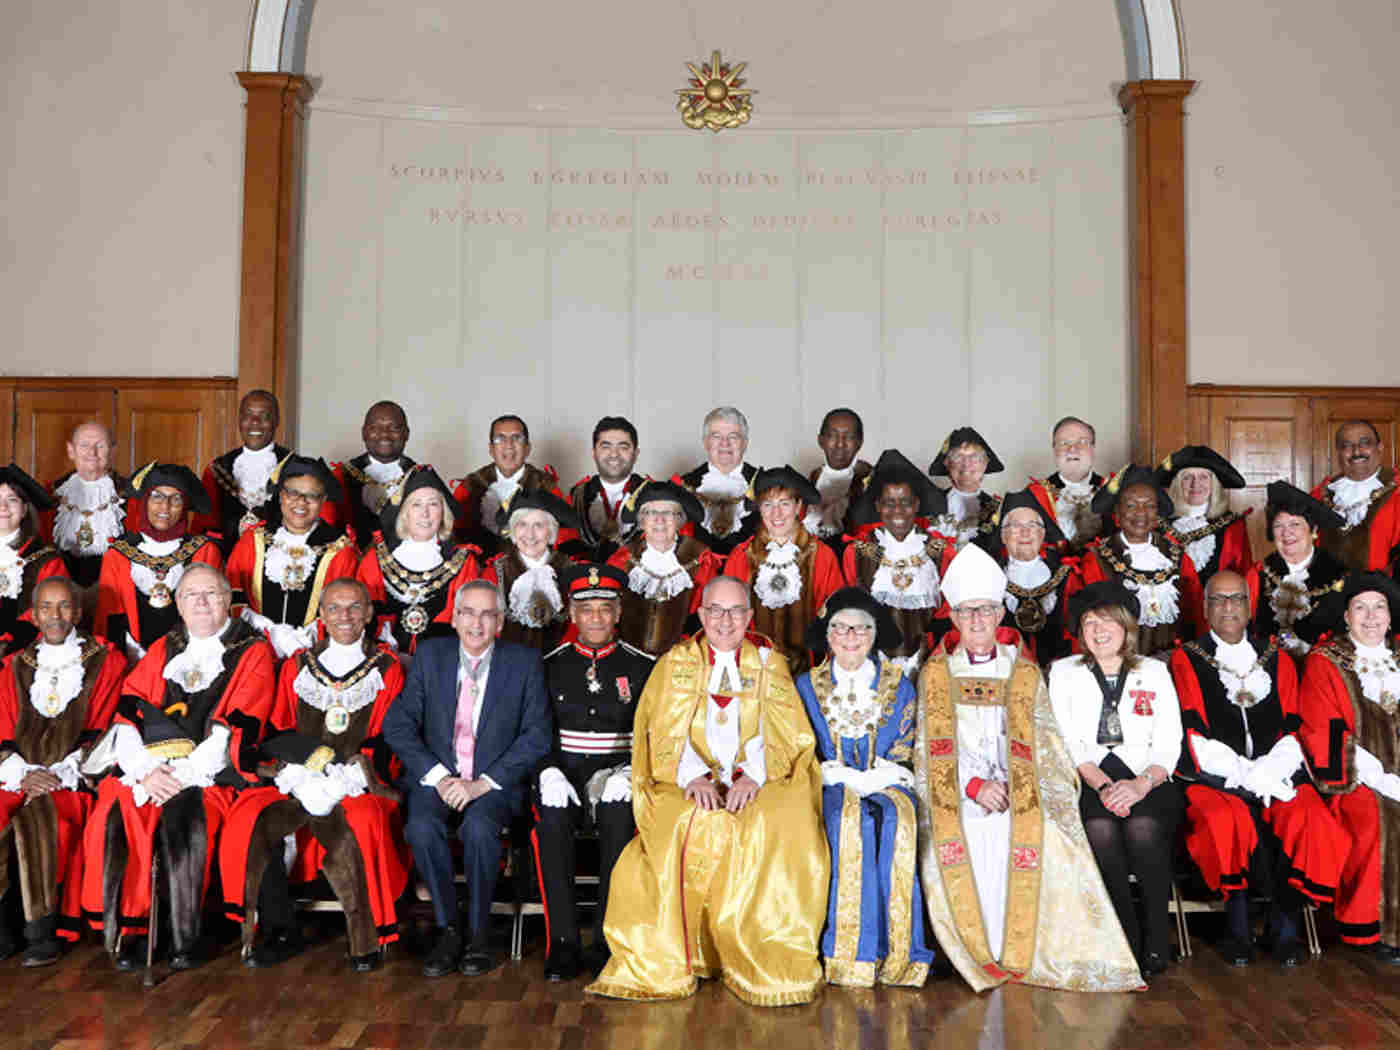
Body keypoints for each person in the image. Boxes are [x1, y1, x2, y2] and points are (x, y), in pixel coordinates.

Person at [588, 575, 828, 1006]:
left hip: (758, 778)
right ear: (701, 614)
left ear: (750, 617)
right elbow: (658, 731)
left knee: (770, 822)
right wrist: (693, 777)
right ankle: (685, 954)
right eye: (716, 610)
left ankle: (752, 953)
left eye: (736, 611)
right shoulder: (675, 663)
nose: (725, 620)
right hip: (685, 781)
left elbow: (787, 734)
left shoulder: (770, 663)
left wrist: (753, 776)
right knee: (689, 819)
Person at [918, 547, 1141, 992]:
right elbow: (926, 751)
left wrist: (1018, 787)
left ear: (1001, 612)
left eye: (986, 610)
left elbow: (1047, 745)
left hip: (1021, 790)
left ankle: (1030, 950)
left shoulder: (1023, 671)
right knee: (961, 833)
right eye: (967, 611)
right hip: (961, 793)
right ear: (954, 616)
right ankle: (979, 950)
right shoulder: (935, 673)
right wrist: (976, 785)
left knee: (1044, 829)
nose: (977, 620)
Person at [81, 564, 276, 971]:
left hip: (211, 776)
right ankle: (132, 929)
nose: (201, 603)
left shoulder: (252, 650)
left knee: (188, 818)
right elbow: (130, 709)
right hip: (154, 771)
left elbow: (234, 726)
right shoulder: (165, 647)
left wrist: (182, 775)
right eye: (191, 595)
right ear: (179, 605)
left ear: (228, 600)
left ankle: (184, 933)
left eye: (211, 594)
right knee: (119, 808)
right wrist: (144, 771)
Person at [219, 578, 409, 971]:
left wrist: (350, 778)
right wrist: (295, 774)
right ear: (320, 615)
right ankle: (279, 930)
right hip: (299, 780)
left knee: (362, 818)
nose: (345, 616)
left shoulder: (388, 667)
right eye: (334, 608)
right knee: (252, 815)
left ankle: (365, 938)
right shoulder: (296, 665)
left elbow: (390, 735)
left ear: (369, 614)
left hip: (358, 781)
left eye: (355, 607)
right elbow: (278, 729)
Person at [1169, 571, 1350, 967]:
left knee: (1310, 818)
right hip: (1216, 775)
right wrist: (1243, 774)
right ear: (1205, 608)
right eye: (1218, 600)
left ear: (1250, 606)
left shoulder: (1277, 657)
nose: (1228, 607)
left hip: (1278, 770)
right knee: (1222, 818)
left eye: (1236, 599)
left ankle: (1284, 925)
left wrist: (1271, 771)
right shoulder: (1186, 658)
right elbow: (1192, 728)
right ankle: (1238, 928)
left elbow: (1292, 723)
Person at [382, 580, 552, 977]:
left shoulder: (524, 662)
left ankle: (478, 934)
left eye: (488, 614)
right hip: (438, 777)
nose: (478, 623)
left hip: (494, 782)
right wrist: (440, 777)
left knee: (479, 828)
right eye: (469, 613)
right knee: (422, 827)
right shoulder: (431, 655)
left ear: (500, 621)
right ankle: (448, 928)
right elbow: (399, 725)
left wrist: (483, 784)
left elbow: (537, 735)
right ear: (455, 618)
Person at [796, 587, 933, 987]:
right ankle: (848, 954)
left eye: (861, 629)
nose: (851, 637)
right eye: (840, 628)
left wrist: (877, 774)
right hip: (829, 782)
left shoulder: (900, 684)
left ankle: (899, 956)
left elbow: (906, 744)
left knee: (898, 818)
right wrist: (836, 774)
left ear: (874, 635)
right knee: (847, 819)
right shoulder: (806, 685)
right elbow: (800, 745)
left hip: (886, 778)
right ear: (828, 635)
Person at [1047, 580, 1182, 978]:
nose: (1098, 631)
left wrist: (1140, 785)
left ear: (1126, 628)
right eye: (1089, 623)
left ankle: (1157, 938)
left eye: (1107, 622)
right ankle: (1123, 938)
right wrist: (1105, 786)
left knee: (1143, 826)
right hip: (1091, 778)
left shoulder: (1154, 671)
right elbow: (1067, 740)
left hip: (1148, 778)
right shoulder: (1064, 672)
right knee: (1100, 828)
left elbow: (1169, 740)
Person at [533, 564, 655, 981]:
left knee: (620, 823)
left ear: (619, 613)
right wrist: (547, 771)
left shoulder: (642, 666)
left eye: (606, 609)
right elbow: (535, 731)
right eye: (587, 610)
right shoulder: (549, 665)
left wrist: (631, 772)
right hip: (562, 774)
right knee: (551, 824)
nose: (597, 618)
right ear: (572, 613)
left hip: (618, 773)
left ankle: (608, 940)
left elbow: (655, 733)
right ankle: (563, 943)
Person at [0, 578, 123, 965]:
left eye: (65, 606)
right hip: (19, 774)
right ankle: (3, 929)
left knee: (38, 815)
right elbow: (2, 728)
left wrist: (62, 772)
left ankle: (42, 930)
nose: (56, 616)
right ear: (34, 615)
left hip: (73, 781)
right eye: (47, 608)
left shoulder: (106, 660)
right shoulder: (12, 665)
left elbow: (105, 728)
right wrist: (23, 773)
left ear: (79, 611)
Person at [1297, 571, 1400, 957]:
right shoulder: (1325, 661)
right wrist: (1386, 781)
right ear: (1346, 616)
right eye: (1360, 607)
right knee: (1378, 815)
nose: (1371, 617)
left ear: (1391, 616)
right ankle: (1375, 927)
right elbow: (1324, 729)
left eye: (1379, 607)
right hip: (1354, 779)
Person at [226, 455, 359, 659]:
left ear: (323, 500)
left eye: (312, 495)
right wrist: (263, 628)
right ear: (281, 496)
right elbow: (232, 594)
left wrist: (307, 637)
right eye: (293, 493)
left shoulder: (340, 550)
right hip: (254, 650)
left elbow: (344, 606)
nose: (301, 502)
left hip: (315, 654)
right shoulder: (252, 541)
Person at [95, 463, 222, 664]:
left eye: (176, 499)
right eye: (157, 496)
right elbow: (110, 618)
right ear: (145, 501)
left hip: (190, 661)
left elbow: (211, 616)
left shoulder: (204, 551)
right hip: (131, 661)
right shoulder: (117, 554)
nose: (165, 506)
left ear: (185, 505)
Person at [723, 466, 843, 677]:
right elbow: (727, 620)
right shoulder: (741, 556)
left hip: (810, 672)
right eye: (768, 504)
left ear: (798, 507)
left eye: (784, 504)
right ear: (759, 508)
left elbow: (838, 619)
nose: (775, 513)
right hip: (753, 673)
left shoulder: (823, 556)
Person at [841, 450, 953, 672]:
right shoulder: (856, 553)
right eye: (889, 503)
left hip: (930, 662)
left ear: (917, 504)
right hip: (870, 661)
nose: (898, 511)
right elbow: (848, 613)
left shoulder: (941, 552)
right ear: (877, 506)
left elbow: (949, 614)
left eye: (906, 502)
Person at [1075, 465, 1205, 656]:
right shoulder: (1096, 559)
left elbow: (1197, 612)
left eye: (1150, 505)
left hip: (1173, 663)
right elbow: (1088, 622)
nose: (1141, 513)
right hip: (1117, 663)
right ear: (1117, 512)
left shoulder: (1177, 556)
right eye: (1131, 505)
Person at [355, 465, 480, 658]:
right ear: (404, 513)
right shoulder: (375, 559)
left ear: (443, 512)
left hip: (441, 662)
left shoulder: (464, 562)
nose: (425, 513)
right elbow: (361, 616)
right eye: (416, 505)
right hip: (383, 663)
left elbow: (469, 623)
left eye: (433, 504)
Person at [607, 481, 722, 656]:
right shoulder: (621, 559)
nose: (659, 520)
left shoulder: (702, 560)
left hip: (681, 661)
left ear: (679, 519)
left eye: (668, 513)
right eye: (651, 512)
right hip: (625, 660)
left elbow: (709, 617)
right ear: (642, 520)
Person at [1245, 482, 1347, 660]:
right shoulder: (1258, 573)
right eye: (1279, 526)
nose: (1286, 533)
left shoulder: (1340, 577)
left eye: (1295, 524)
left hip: (1320, 672)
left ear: (1313, 530)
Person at [452, 415, 568, 557]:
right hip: (481, 563)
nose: (509, 445)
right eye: (500, 438)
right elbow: (454, 532)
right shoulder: (471, 486)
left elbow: (563, 535)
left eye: (517, 438)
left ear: (527, 448)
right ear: (491, 449)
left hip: (531, 563)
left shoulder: (545, 485)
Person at [481, 490, 580, 653]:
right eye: (522, 524)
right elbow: (485, 629)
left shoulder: (572, 570)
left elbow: (577, 629)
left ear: (551, 532)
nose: (530, 534)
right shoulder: (493, 572)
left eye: (539, 525)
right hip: (509, 666)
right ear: (513, 530)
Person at [988, 488, 1076, 669]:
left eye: (1032, 526)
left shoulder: (1068, 573)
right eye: (1015, 526)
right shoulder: (988, 574)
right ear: (1003, 535)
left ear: (1043, 534)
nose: (1025, 532)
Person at [198, 390, 291, 557]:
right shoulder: (218, 469)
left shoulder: (294, 467)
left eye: (264, 416)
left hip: (281, 561)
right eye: (248, 415)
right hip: (229, 562)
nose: (255, 422)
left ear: (276, 421)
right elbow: (204, 529)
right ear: (239, 420)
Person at [46, 421, 129, 595]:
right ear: (71, 450)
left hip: (115, 592)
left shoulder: (130, 495)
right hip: (60, 594)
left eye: (100, 446)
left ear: (113, 451)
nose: (92, 453)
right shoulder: (49, 494)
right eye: (84, 445)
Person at [1310, 421, 1400, 574]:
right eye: (1346, 446)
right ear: (1338, 453)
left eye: (1365, 443)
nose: (1356, 451)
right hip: (1329, 592)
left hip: (1384, 593)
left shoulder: (1397, 493)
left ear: (1380, 448)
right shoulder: (1320, 495)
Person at [1157, 445, 1254, 584]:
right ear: (1177, 484)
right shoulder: (1159, 524)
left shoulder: (1232, 526)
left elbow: (1244, 575)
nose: (1195, 484)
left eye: (1204, 477)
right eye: (1187, 477)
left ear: (1214, 484)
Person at [673, 406, 761, 557]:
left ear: (745, 443)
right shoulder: (682, 485)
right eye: (716, 436)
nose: (724, 443)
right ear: (706, 442)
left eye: (733, 436)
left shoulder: (765, 485)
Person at [0, 465, 69, 656]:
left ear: (24, 510)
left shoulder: (47, 561)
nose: (3, 507)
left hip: (23, 656)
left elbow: (48, 616)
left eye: (12, 500)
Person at [331, 401, 417, 551]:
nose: (384, 434)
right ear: (364, 433)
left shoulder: (421, 477)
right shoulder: (341, 476)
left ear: (406, 433)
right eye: (375, 428)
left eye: (394, 428)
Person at [563, 416, 647, 563]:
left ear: (636, 454)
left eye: (623, 447)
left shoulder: (653, 495)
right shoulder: (577, 495)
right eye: (606, 446)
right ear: (594, 452)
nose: (614, 454)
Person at [1028, 416, 1107, 551]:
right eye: (1064, 443)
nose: (1072, 449)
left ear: (1093, 448)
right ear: (1054, 449)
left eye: (1082, 442)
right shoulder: (1033, 495)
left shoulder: (1114, 490)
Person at [804, 408, 872, 551]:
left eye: (849, 437)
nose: (840, 444)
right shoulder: (812, 478)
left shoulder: (869, 479)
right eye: (832, 436)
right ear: (821, 440)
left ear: (859, 442)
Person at [928, 426, 1003, 551]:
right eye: (958, 457)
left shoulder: (998, 510)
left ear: (985, 464)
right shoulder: (929, 505)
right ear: (947, 463)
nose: (966, 464)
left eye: (974, 457)